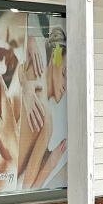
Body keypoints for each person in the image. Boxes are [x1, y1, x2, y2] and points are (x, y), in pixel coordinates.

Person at [17, 25, 68, 190]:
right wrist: (51, 164)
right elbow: (27, 190)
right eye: (65, 73)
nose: (66, 85)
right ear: (55, 57)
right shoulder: (47, 120)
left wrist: (29, 39)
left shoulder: (32, 60)